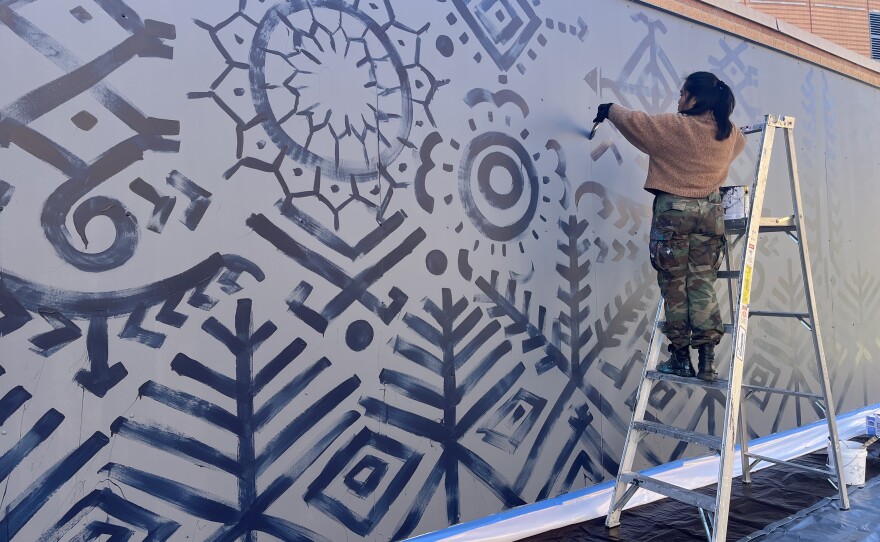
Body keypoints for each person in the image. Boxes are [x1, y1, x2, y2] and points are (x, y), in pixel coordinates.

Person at [592, 72, 746, 381]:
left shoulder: (677, 128)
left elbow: (636, 122)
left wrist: (608, 108)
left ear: (694, 98)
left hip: (674, 212)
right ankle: (706, 361)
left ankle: (679, 358)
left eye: (682, 94)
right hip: (710, 213)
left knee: (675, 285)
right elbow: (738, 147)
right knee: (701, 283)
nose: (678, 99)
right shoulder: (729, 134)